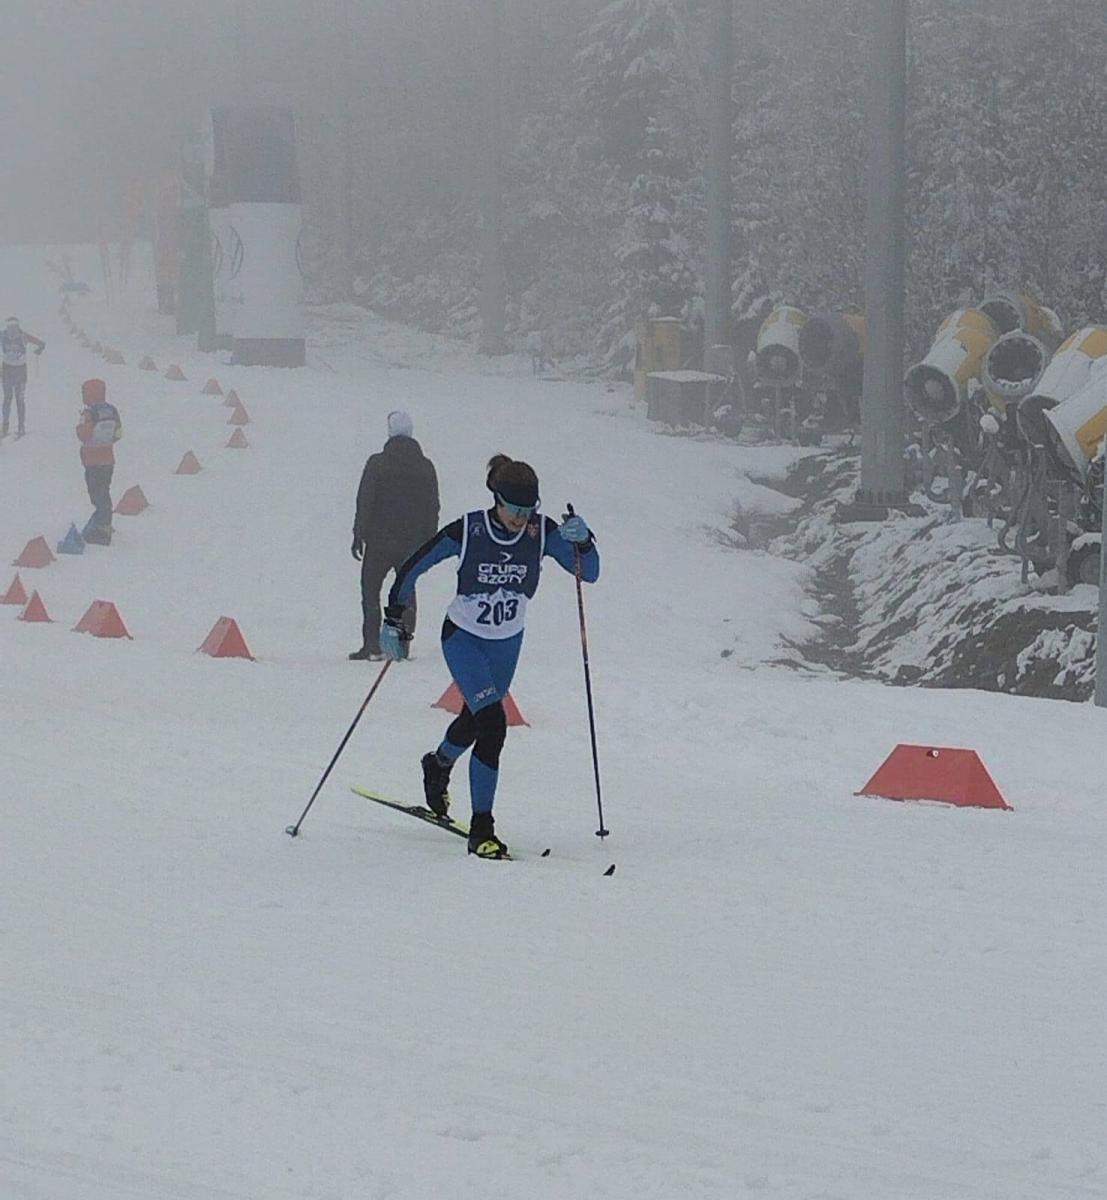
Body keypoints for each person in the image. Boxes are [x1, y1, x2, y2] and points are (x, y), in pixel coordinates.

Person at [379, 454, 600, 859]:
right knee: (493, 724)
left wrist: (583, 540)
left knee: (476, 719)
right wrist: (393, 615)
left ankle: (438, 763)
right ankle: (482, 828)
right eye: (514, 510)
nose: (521, 519)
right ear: (496, 499)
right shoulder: (469, 530)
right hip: (464, 638)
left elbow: (589, 572)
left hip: (507, 643)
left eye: (528, 510)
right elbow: (413, 566)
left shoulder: (541, 532)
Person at [350, 410, 439, 660]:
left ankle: (371, 645)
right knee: (406, 593)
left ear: (390, 432)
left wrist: (359, 534)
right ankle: (401, 644)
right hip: (412, 544)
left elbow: (364, 500)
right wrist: (430, 541)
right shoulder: (425, 466)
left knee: (370, 591)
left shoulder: (377, 463)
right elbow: (433, 506)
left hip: (378, 542)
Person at [75, 379, 122, 545]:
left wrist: (79, 429)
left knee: (96, 493)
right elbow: (118, 433)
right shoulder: (112, 410)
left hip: (92, 461)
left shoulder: (88, 414)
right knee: (104, 491)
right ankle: (105, 522)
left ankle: (102, 527)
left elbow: (84, 435)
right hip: (108, 460)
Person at [1, 316, 45, 438]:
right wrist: (40, 349)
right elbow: (40, 343)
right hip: (16, 370)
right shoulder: (21, 335)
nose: (13, 330)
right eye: (11, 327)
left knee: (9, 399)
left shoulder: (5, 335)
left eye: (14, 327)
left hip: (10, 370)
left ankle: (9, 427)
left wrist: (40, 347)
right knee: (16, 399)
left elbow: (40, 343)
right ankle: (18, 427)